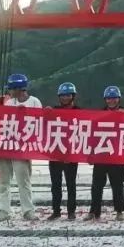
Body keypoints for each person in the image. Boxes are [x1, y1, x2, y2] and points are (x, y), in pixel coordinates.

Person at [0, 73, 41, 221]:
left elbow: (39, 123)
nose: (9, 92)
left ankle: (28, 210)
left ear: (18, 89)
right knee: (4, 181)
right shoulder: (9, 103)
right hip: (7, 146)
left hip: (23, 148)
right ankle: (4, 210)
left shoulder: (34, 102)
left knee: (24, 181)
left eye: (11, 89)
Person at [86, 85, 124, 222]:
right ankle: (94, 211)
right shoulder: (99, 116)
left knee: (117, 185)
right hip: (101, 154)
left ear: (119, 99)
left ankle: (120, 211)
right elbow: (93, 135)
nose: (112, 101)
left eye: (114, 98)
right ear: (105, 100)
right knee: (96, 186)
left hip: (117, 156)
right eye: (109, 98)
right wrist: (90, 153)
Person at [47, 82, 80, 220]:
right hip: (56, 152)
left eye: (68, 95)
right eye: (63, 96)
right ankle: (56, 210)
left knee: (71, 184)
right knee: (55, 185)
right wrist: (45, 112)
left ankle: (71, 211)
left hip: (71, 153)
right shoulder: (54, 110)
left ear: (73, 96)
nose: (65, 98)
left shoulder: (79, 112)